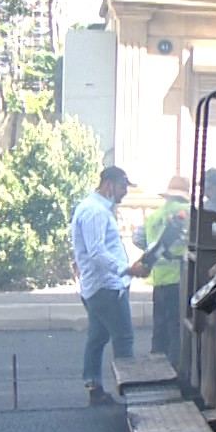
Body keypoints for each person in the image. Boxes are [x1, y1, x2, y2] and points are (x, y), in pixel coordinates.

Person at [72, 166, 149, 405]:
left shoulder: (93, 208)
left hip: (98, 287)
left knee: (98, 336)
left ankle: (93, 385)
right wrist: (125, 269)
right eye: (123, 186)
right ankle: (130, 392)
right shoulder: (96, 212)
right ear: (108, 184)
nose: (125, 192)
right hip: (107, 287)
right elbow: (96, 252)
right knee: (123, 338)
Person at [143, 176, 190, 360]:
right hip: (178, 279)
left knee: (160, 327)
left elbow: (144, 242)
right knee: (176, 329)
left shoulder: (154, 216)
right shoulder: (186, 212)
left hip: (158, 279)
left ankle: (156, 366)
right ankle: (175, 370)